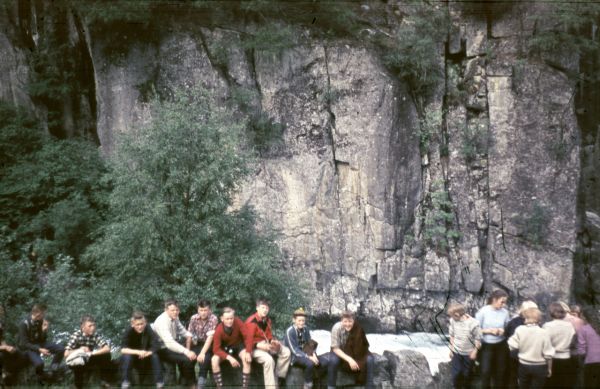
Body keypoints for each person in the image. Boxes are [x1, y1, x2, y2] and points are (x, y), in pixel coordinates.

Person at [245, 298, 291, 389]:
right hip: (253, 347)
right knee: (269, 360)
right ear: (257, 308)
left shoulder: (268, 320)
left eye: (267, 308)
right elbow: (246, 340)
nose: (265, 310)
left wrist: (272, 341)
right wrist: (258, 345)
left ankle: (278, 377)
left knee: (286, 352)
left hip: (266, 344)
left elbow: (269, 336)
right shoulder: (251, 321)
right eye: (263, 307)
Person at [508, 307, 555, 389]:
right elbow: (548, 354)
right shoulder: (544, 332)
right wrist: (549, 368)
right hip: (540, 367)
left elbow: (512, 345)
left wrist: (520, 354)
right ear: (538, 319)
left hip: (524, 365)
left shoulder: (519, 330)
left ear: (526, 318)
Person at [153, 299, 196, 388]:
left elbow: (182, 330)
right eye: (172, 310)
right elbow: (169, 343)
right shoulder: (162, 322)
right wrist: (186, 351)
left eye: (177, 310)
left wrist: (192, 336)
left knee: (192, 355)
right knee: (187, 358)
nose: (175, 312)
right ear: (166, 310)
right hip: (161, 348)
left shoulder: (175, 317)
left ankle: (184, 381)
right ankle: (192, 385)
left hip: (171, 344)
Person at [17, 304, 64, 383]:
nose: (44, 315)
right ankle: (41, 378)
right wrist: (39, 349)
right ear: (36, 313)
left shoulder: (40, 321)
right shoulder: (24, 324)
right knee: (39, 364)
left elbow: (42, 339)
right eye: (43, 314)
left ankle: (53, 369)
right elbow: (24, 343)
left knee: (61, 349)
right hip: (29, 348)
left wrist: (44, 330)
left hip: (39, 344)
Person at [327, 311, 374, 389]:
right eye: (345, 321)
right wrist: (350, 360)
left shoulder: (358, 328)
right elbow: (335, 348)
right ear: (341, 321)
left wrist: (358, 359)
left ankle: (369, 386)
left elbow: (363, 345)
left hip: (353, 351)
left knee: (370, 359)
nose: (348, 324)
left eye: (350, 321)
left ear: (354, 321)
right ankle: (331, 386)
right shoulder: (336, 328)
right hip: (339, 350)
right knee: (333, 361)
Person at [284, 308, 328, 389]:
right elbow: (294, 350)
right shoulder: (290, 331)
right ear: (294, 320)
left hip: (306, 353)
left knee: (324, 362)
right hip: (295, 356)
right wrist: (309, 357)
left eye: (303, 321)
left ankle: (315, 380)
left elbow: (310, 343)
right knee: (310, 363)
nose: (301, 323)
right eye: (299, 320)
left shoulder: (306, 329)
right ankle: (307, 384)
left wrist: (313, 354)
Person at [64, 315, 113, 389]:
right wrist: (80, 350)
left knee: (106, 355)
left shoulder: (95, 335)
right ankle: (78, 386)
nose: (93, 328)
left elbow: (107, 348)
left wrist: (91, 353)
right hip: (77, 361)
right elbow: (66, 353)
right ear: (83, 327)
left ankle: (104, 381)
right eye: (90, 326)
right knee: (78, 361)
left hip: (89, 358)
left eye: (93, 325)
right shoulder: (76, 335)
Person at [475, 289, 510, 389]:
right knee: (485, 371)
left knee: (501, 370)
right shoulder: (483, 311)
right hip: (487, 345)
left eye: (505, 302)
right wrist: (489, 331)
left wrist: (503, 330)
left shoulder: (505, 312)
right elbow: (475, 329)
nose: (503, 305)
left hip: (501, 345)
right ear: (494, 299)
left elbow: (508, 327)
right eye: (502, 302)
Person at [211, 307, 253, 389]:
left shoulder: (238, 322)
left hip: (238, 345)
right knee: (214, 360)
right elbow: (216, 349)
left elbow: (247, 337)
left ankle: (245, 387)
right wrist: (229, 358)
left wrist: (248, 352)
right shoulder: (219, 329)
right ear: (222, 319)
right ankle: (219, 386)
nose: (230, 321)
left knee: (246, 359)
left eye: (231, 318)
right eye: (227, 319)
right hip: (225, 348)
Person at [120, 311, 163, 389]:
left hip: (146, 356)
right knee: (127, 357)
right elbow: (123, 349)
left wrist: (147, 353)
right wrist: (138, 352)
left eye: (142, 324)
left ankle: (159, 383)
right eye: (137, 324)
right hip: (133, 356)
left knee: (155, 356)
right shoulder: (128, 331)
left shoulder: (148, 329)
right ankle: (125, 382)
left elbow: (156, 345)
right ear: (132, 324)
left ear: (145, 323)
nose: (140, 327)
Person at [505, 300, 539, 389]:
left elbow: (508, 337)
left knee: (514, 376)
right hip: (529, 355)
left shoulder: (513, 322)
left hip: (515, 353)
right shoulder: (536, 323)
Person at [447, 303, 481, 389]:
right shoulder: (453, 320)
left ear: (457, 314)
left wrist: (475, 351)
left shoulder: (473, 323)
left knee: (467, 374)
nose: (451, 317)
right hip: (457, 352)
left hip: (468, 354)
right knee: (456, 374)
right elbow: (452, 335)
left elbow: (478, 339)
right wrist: (451, 350)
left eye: (452, 315)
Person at [543, 302, 576, 389]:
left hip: (552, 359)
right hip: (566, 358)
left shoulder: (547, 326)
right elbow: (572, 340)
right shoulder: (570, 326)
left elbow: (545, 344)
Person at [187, 299, 218, 389]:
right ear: (198, 310)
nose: (203, 312)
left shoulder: (213, 318)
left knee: (204, 360)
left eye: (205, 310)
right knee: (188, 360)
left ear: (209, 310)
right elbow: (189, 335)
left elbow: (210, 337)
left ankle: (200, 384)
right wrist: (188, 351)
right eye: (201, 310)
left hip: (209, 344)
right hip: (196, 343)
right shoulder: (193, 318)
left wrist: (202, 353)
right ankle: (192, 383)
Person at [577, 306, 600, 389]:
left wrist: (580, 361)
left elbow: (581, 349)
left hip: (590, 362)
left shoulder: (583, 329)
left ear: (584, 317)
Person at [0, 321, 25, 386]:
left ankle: (8, 375)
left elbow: (3, 343)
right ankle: (5, 374)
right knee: (2, 356)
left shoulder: (1, 333)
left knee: (17, 353)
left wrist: (10, 348)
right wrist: (5, 347)